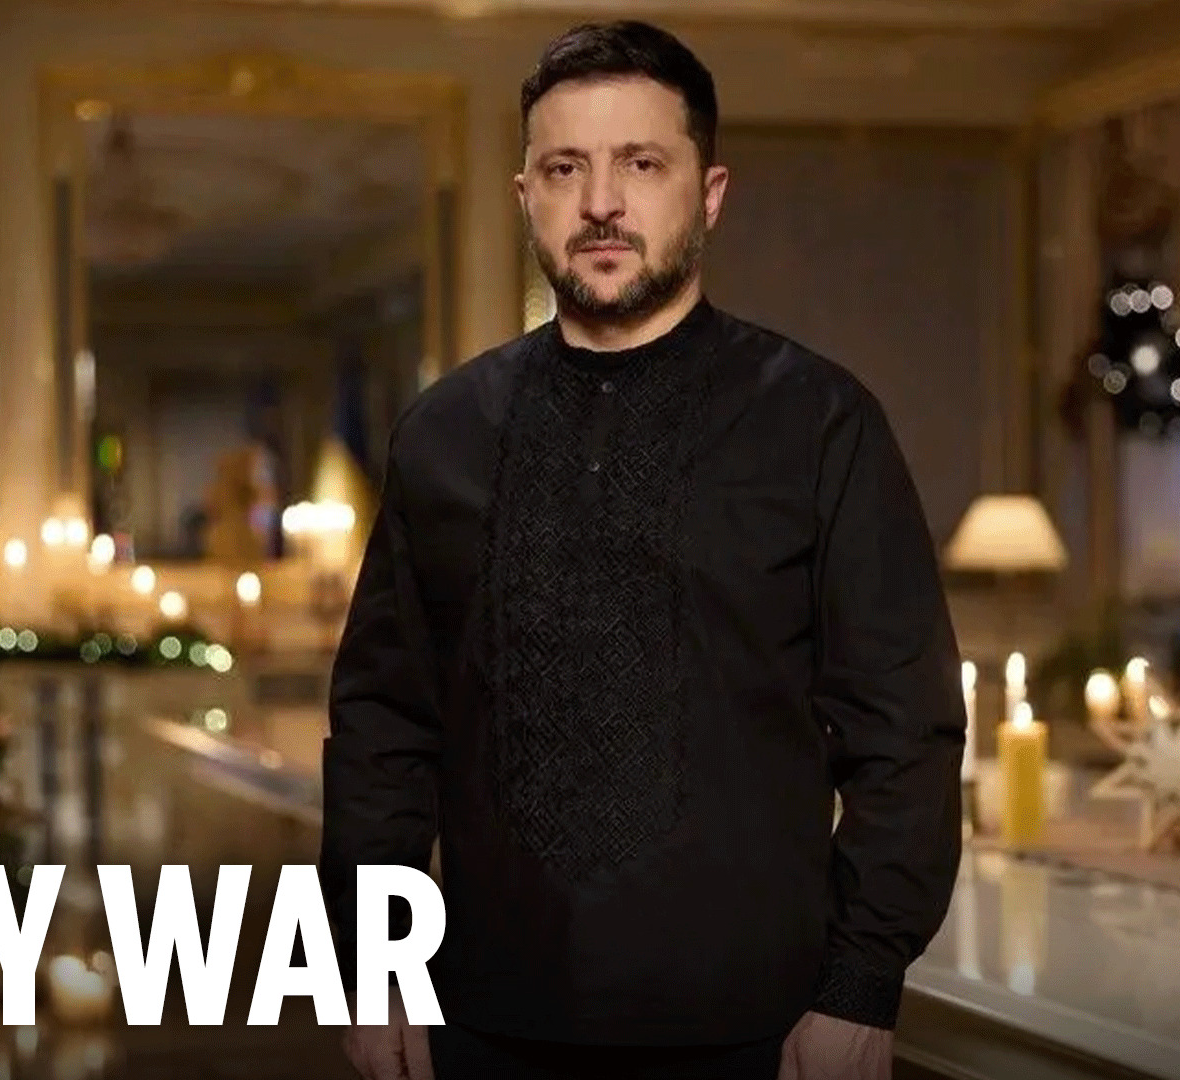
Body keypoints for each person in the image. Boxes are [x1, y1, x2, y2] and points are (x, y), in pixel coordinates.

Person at [321, 20, 966, 1080]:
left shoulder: (819, 423)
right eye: (564, 168)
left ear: (708, 195)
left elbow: (906, 731)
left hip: (759, 1033)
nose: (601, 202)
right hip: (480, 1025)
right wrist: (369, 961)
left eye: (641, 164)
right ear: (525, 195)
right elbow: (384, 727)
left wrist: (861, 984)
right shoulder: (442, 432)